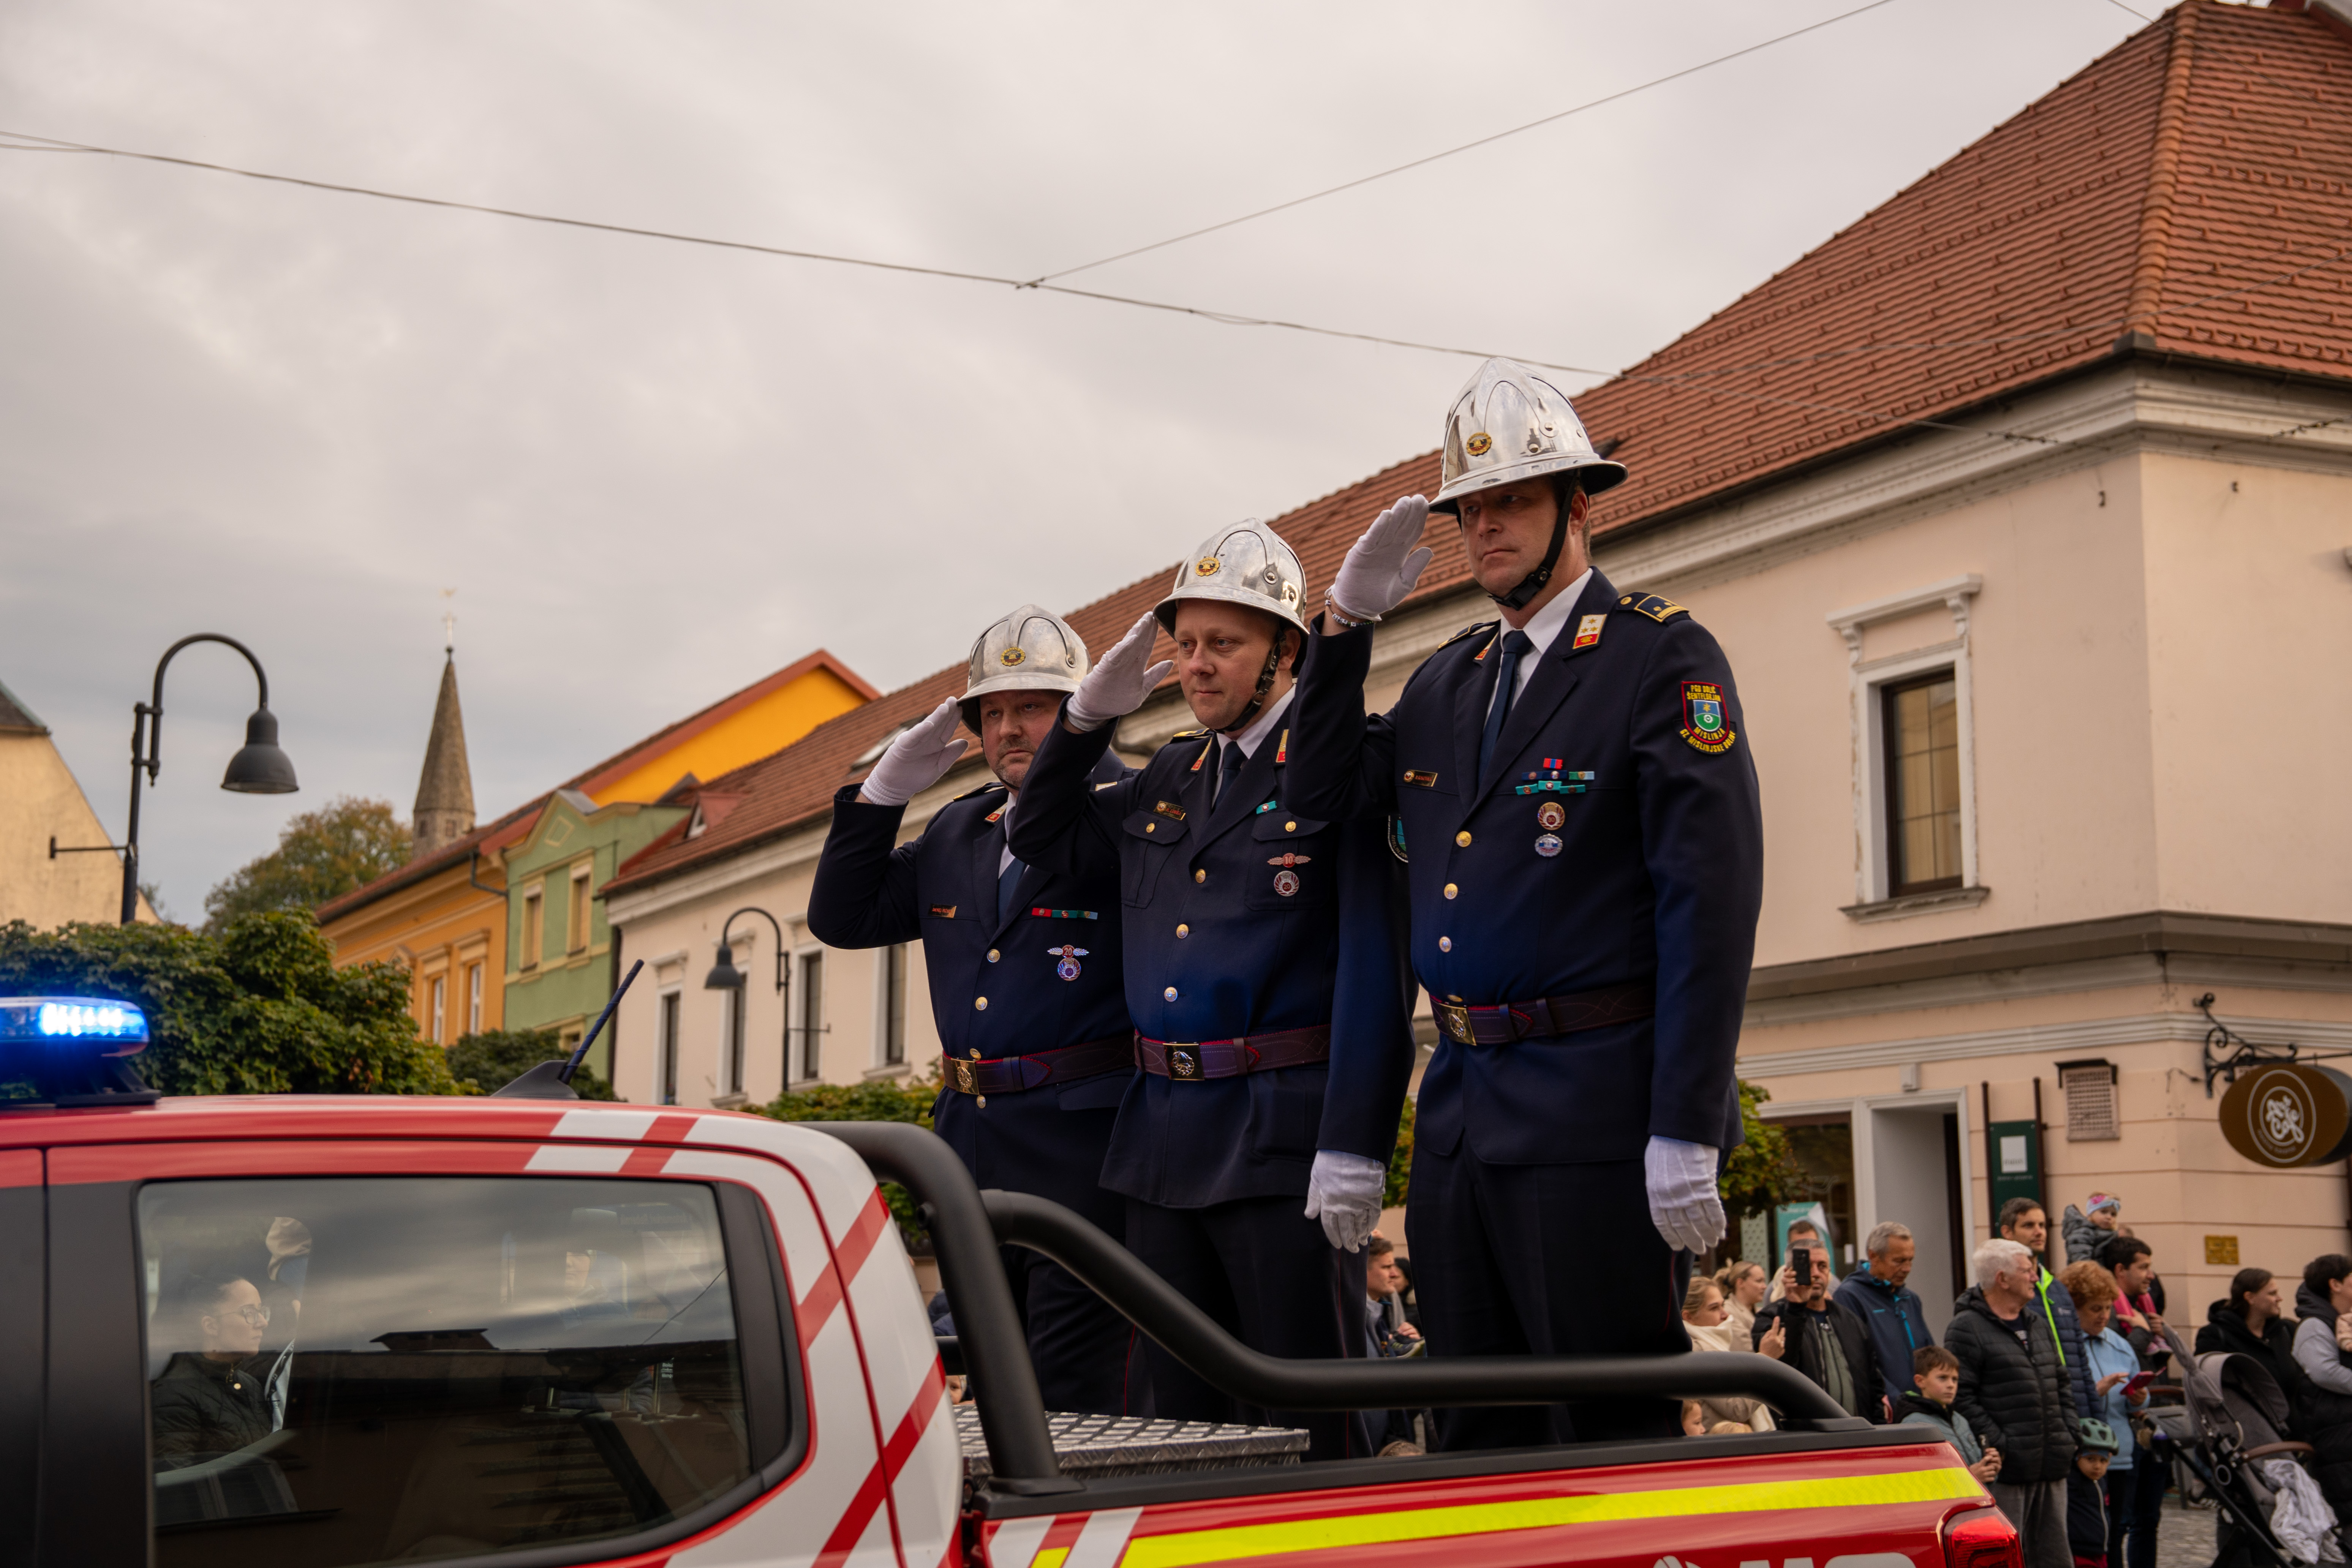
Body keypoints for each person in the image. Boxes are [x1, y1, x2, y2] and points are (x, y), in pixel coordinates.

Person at [1282, 356, 1763, 1448]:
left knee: (1602, 1436)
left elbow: (1710, 899)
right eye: (1471, 510)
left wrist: (1684, 1122)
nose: (1486, 528)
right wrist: (1344, 628)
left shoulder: (1659, 654)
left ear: (1576, 507)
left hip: (1597, 1109)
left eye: (1512, 502)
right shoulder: (1448, 679)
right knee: (1476, 1437)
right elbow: (1316, 796)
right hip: (1463, 1113)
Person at [1008, 524, 1416, 1461]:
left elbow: (1374, 972)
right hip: (1162, 1141)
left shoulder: (1340, 764)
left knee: (1305, 1418)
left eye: (1222, 644)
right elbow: (1039, 836)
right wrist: (1079, 727)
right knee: (1182, 1423)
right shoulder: (1167, 774)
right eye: (1184, 644)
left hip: (1281, 1142)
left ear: (1285, 651)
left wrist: (1354, 1141)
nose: (1195, 666)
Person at [808, 604, 1144, 1416]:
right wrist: (884, 792)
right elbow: (842, 919)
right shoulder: (961, 827)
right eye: (990, 713)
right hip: (970, 1138)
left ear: (1078, 708)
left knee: (1076, 1398)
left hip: (1082, 1146)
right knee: (993, 1383)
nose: (1007, 730)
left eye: (1029, 707)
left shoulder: (1129, 807)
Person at [1950, 1238, 2080, 1568]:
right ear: (2002, 1279)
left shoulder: (2036, 1323)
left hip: (2051, 1463)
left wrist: (2069, 1434)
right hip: (2008, 1471)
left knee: (2054, 1558)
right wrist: (2000, 1443)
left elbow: (2061, 1380)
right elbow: (1961, 1396)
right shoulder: (1966, 1328)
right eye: (2027, 1271)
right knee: (2009, 1558)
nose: (2036, 1278)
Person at [2061, 1261, 2148, 1568]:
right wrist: (2094, 1392)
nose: (2104, 1316)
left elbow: (2138, 1407)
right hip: (2084, 1458)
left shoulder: (2120, 1346)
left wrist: (2140, 1397)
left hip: (2121, 1454)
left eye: (2108, 1308)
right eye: (2095, 1308)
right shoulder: (2065, 1346)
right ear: (2075, 1308)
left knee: (2119, 1530)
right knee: (2089, 1534)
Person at [2092, 1234, 2168, 1568]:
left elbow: (2139, 1368)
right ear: (2120, 1270)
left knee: (2147, 1518)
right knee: (2118, 1525)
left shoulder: (2144, 1306)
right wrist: (2142, 1334)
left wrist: (2143, 1393)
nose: (2151, 1275)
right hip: (2114, 1437)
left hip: (2141, 1423)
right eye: (2144, 1267)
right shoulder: (2108, 1314)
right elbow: (2120, 1357)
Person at [152, 1271, 276, 1467]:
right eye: (250, 1313)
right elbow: (178, 1484)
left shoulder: (250, 1385)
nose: (263, 1323)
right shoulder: (175, 1395)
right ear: (211, 1326)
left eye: (262, 1311)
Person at [1753, 1245, 1886, 1423]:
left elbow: (1874, 1385)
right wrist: (1795, 1309)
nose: (1816, 1273)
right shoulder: (1771, 1319)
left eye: (1822, 1266)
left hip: (1856, 1436)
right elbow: (1780, 1377)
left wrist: (1877, 1433)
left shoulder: (1850, 1320)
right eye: (1808, 1267)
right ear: (1789, 1272)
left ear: (1829, 1272)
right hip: (1806, 1441)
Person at [2001, 1198, 2095, 1419]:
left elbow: (2081, 1362)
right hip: (2038, 1415)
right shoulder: (2005, 1292)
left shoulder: (2059, 1289)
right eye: (2029, 1226)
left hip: (2076, 1411)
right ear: (2007, 1232)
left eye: (2042, 1226)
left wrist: (2096, 1420)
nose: (2039, 1232)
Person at [1837, 1221, 1936, 1407]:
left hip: (1921, 1408)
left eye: (1910, 1260)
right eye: (1899, 1261)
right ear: (1874, 1256)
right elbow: (1858, 1362)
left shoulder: (1910, 1299)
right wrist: (1897, 1401)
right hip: (1886, 1412)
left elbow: (1929, 1354)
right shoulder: (1849, 1296)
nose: (1907, 1269)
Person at [2292, 1255, 2352, 1538]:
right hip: (2337, 1436)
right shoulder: (2315, 1325)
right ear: (2335, 1284)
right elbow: (2324, 1372)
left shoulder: (2342, 1321)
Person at [1898, 1345, 2002, 1485]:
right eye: (1943, 1378)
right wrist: (1970, 1478)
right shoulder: (1913, 1425)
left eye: (1955, 1379)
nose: (1951, 1385)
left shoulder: (1960, 1420)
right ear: (1920, 1381)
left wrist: (1990, 1468)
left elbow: (1977, 1472)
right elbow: (1919, 1482)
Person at [1683, 1276, 1775, 1432]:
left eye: (1723, 1306)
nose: (1725, 1314)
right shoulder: (1696, 1352)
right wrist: (1766, 1358)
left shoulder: (1713, 1343)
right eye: (1714, 1308)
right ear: (1689, 1317)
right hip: (1720, 1447)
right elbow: (1737, 1409)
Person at [2195, 1266, 2299, 1404]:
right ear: (2250, 1298)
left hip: (2294, 1422)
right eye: (2272, 1294)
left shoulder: (2286, 1330)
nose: (2279, 1299)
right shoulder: (2215, 1335)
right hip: (2247, 1421)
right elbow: (2207, 1384)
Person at [2067, 1418, 2122, 1568]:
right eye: (2090, 1459)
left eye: (2103, 1461)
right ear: (2077, 1456)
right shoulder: (2071, 1480)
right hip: (2078, 1551)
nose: (2097, 1466)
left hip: (2100, 1551)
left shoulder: (2100, 1482)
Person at [1767, 1219, 1826, 1304]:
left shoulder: (1832, 1284)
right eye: (1800, 1246)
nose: (1807, 1250)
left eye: (1813, 1244)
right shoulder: (1775, 1288)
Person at [2063, 1193, 2122, 1266]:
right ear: (2091, 1213)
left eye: (2113, 1214)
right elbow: (2082, 1264)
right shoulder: (2082, 1234)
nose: (2109, 1217)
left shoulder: (2112, 1235)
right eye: (2104, 1212)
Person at [1716, 1260, 1769, 1340]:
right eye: (1759, 1281)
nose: (1764, 1286)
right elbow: (1746, 1347)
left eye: (1764, 1281)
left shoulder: (1760, 1312)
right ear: (1740, 1283)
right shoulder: (1728, 1312)